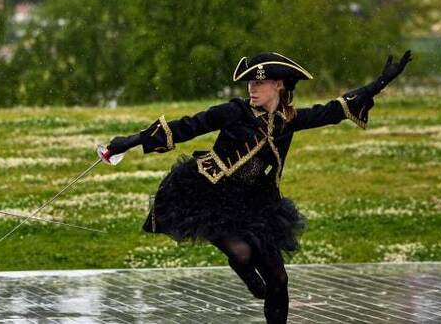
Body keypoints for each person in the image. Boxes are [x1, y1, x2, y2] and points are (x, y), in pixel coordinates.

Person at [103, 51, 412, 324]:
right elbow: (188, 126)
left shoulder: (289, 120)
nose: (252, 88)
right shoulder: (234, 111)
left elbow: (334, 110)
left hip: (257, 205)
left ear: (278, 84)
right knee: (241, 251)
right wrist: (129, 142)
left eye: (259, 83)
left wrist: (380, 83)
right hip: (211, 195)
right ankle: (243, 266)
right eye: (250, 83)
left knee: (279, 279)